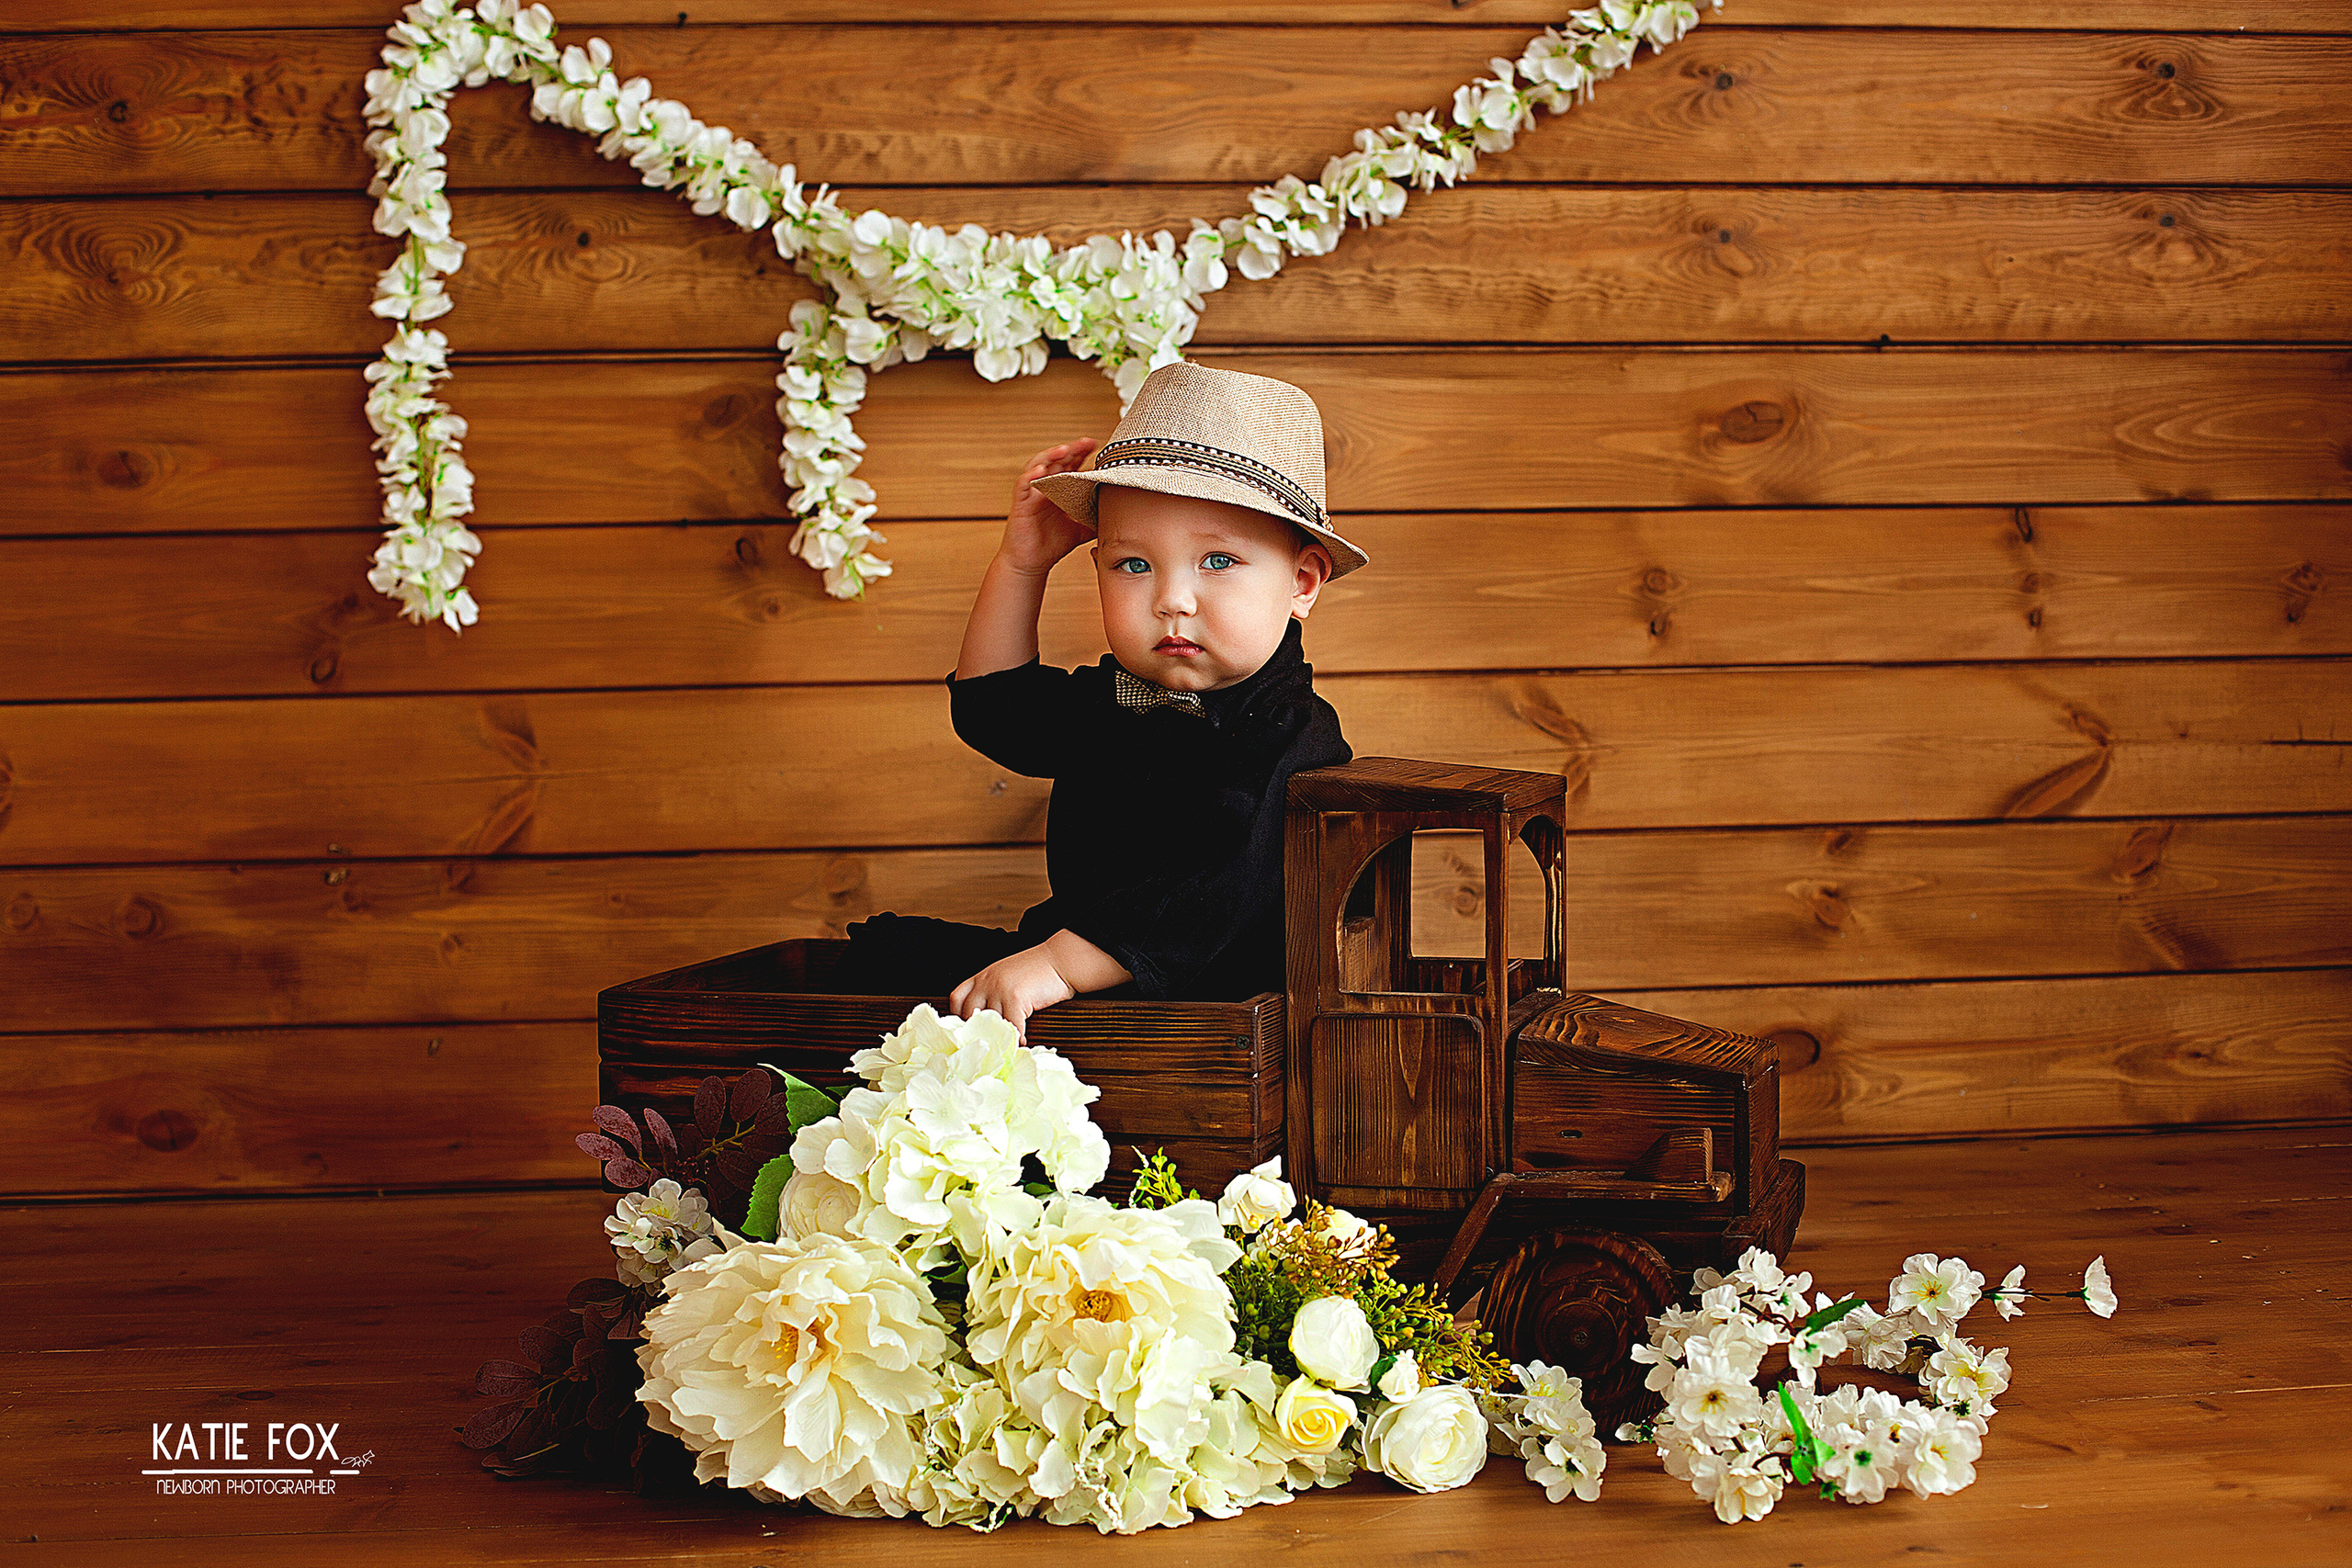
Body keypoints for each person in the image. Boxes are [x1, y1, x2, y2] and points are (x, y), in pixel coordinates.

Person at [827, 360, 1371, 1034]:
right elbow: (993, 708)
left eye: (1218, 561)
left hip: (1218, 1009)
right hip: (1079, 969)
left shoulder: (1294, 740)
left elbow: (1212, 893)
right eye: (1133, 565)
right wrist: (1021, 565)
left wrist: (1055, 965)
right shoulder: (1120, 701)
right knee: (882, 957)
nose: (1171, 599)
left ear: (1302, 581)